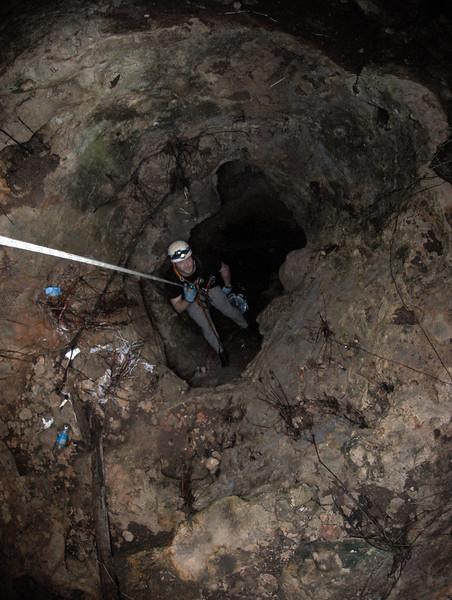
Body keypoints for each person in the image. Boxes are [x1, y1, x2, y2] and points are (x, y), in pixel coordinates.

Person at [166, 240, 248, 366]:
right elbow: (178, 308)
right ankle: (220, 351)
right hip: (190, 298)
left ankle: (245, 326)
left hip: (209, 287)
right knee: (206, 326)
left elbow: (224, 268)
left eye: (188, 259)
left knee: (228, 309)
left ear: (192, 256)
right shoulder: (171, 278)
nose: (186, 265)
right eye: (180, 263)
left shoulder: (205, 260)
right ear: (174, 264)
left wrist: (228, 286)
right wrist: (188, 299)